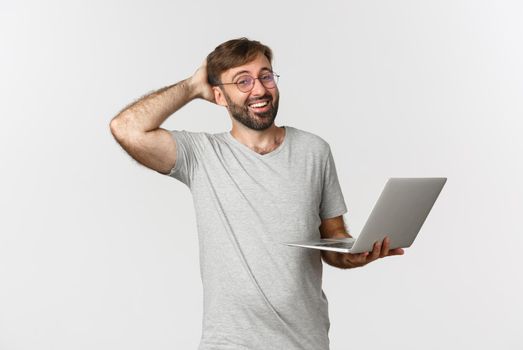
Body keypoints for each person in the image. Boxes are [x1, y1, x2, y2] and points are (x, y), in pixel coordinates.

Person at [109, 37, 404, 350]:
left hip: (305, 341)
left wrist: (354, 255)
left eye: (265, 76)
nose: (260, 89)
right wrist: (194, 85)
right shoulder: (202, 155)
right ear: (219, 96)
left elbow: (332, 242)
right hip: (230, 342)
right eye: (243, 81)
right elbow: (126, 128)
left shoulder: (314, 151)